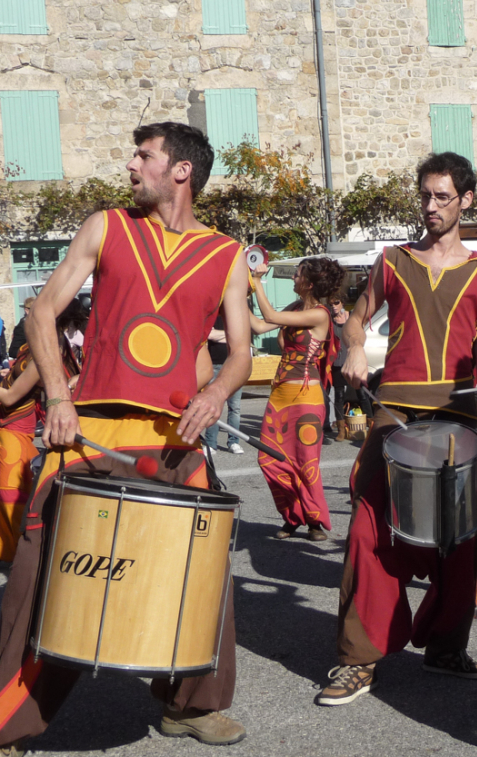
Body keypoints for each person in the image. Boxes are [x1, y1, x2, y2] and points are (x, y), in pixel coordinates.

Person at [0, 122, 252, 753]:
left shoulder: (226, 253)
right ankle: (7, 720)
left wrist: (216, 393)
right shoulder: (105, 226)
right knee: (42, 577)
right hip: (90, 432)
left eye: (144, 155)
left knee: (201, 570)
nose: (131, 165)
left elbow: (241, 352)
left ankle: (188, 704)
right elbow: (39, 311)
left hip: (174, 442)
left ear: (181, 170)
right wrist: (57, 395)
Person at [315, 152, 477, 706]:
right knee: (368, 530)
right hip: (394, 411)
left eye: (442, 197)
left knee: (461, 539)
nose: (431, 207)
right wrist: (356, 346)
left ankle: (444, 646)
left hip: (457, 417)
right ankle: (358, 658)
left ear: (466, 200)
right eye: (426, 196)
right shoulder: (392, 261)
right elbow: (358, 316)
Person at [251, 257, 345, 542]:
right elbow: (258, 326)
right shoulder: (294, 308)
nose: (293, 279)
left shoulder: (320, 314)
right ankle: (293, 516)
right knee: (269, 458)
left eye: (297, 275)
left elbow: (270, 316)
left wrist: (256, 281)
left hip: (306, 395)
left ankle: (314, 522)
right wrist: (231, 295)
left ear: (310, 283)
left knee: (305, 461)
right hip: (280, 392)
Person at [0, 300, 84, 563]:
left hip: (13, 435)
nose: (27, 316)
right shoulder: (37, 350)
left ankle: (20, 570)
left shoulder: (44, 357)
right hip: (9, 433)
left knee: (11, 508)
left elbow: (10, 398)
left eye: (33, 312)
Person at [203, 314, 245, 455]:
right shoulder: (211, 314)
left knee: (235, 408)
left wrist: (220, 335)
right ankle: (211, 444)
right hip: (214, 365)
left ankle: (234, 442)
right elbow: (210, 335)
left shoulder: (236, 315)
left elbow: (245, 336)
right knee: (213, 406)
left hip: (235, 366)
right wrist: (232, 336)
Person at [328, 295, 350, 441]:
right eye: (331, 304)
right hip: (336, 362)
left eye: (336, 302)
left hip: (350, 360)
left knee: (362, 394)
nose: (334, 306)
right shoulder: (329, 320)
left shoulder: (351, 317)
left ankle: (369, 426)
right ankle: (341, 430)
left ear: (342, 302)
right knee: (339, 395)